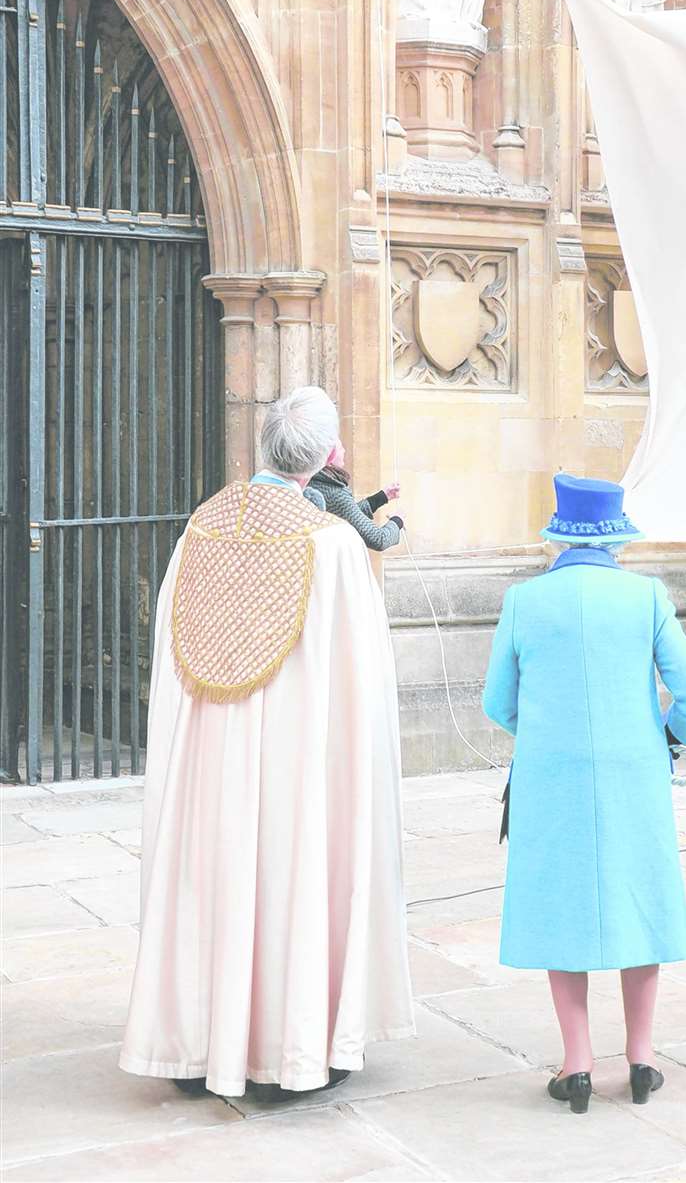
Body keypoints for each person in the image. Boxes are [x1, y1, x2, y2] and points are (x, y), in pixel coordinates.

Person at [120, 387, 414, 1100]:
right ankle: (291, 1051)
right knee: (291, 872)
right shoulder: (335, 545)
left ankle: (196, 1049)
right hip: (295, 758)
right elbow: (360, 680)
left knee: (210, 876)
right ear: (323, 458)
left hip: (211, 760)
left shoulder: (200, 529)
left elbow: (169, 658)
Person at [482, 474, 686, 1115]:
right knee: (637, 899)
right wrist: (669, 737)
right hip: (633, 771)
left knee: (564, 907)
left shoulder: (525, 600)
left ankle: (577, 1064)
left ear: (558, 533)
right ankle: (641, 1058)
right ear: (618, 538)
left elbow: (496, 702)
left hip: (550, 775)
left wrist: (551, 735)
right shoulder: (646, 597)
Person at [306, 441, 404, 552]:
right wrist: (397, 520)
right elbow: (379, 539)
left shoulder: (314, 481)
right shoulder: (335, 493)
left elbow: (346, 514)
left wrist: (382, 497)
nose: (344, 451)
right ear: (329, 459)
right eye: (340, 448)